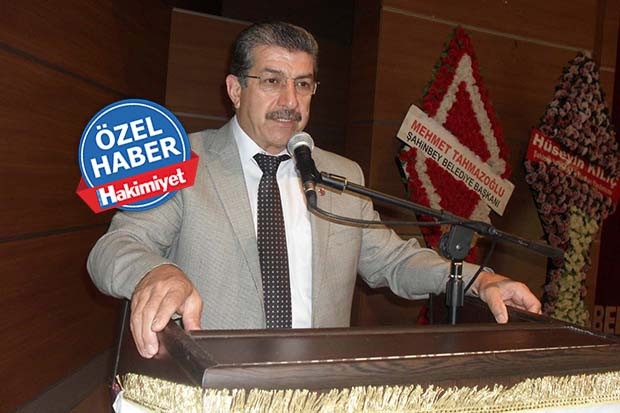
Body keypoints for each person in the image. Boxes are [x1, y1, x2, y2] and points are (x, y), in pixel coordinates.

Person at [88, 21, 541, 359]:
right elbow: (114, 247)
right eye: (271, 81)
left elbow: (394, 261)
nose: (290, 101)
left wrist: (480, 280)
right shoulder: (180, 161)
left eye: (303, 84)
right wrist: (155, 272)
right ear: (235, 89)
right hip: (213, 385)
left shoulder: (341, 175)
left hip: (316, 385)